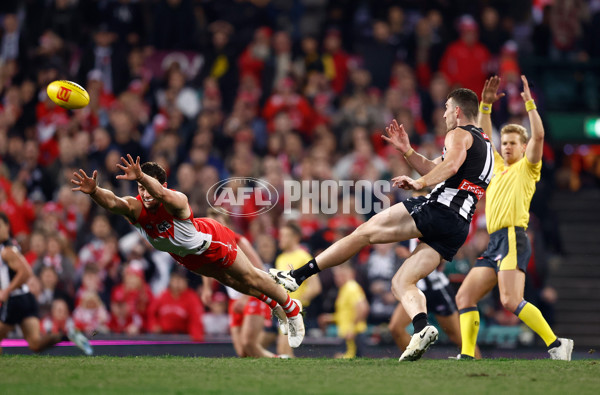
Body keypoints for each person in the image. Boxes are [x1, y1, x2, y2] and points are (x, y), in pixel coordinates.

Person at [271, 88, 494, 361]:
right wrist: (408, 151)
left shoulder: (458, 134)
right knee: (401, 281)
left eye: (447, 107)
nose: (445, 112)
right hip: (458, 227)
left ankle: (298, 276)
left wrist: (420, 184)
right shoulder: (486, 146)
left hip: (438, 209)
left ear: (457, 111)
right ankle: (422, 327)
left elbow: (448, 167)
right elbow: (437, 165)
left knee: (363, 232)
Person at [70, 155, 304, 348]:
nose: (145, 193)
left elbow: (161, 195)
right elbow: (112, 202)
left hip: (212, 241)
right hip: (188, 258)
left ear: (162, 185)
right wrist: (94, 192)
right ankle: (273, 305)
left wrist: (141, 174)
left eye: (147, 186)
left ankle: (291, 308)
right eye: (140, 187)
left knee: (250, 276)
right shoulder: (135, 208)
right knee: (231, 282)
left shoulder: (176, 199)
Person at [455, 75, 574, 360]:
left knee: (510, 300)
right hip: (495, 242)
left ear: (523, 147)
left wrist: (530, 104)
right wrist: (484, 106)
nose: (506, 146)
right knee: (464, 297)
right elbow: (485, 137)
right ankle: (467, 355)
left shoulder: (528, 168)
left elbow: (540, 136)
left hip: (512, 236)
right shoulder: (496, 165)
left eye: (512, 143)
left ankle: (556, 344)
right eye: (504, 142)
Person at [0, 212, 92, 356]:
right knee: (35, 343)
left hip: (15, 299)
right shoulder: (10, 248)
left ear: (6, 226)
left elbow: (26, 272)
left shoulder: (6, 250)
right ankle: (66, 336)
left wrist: (7, 290)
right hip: (27, 298)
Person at [202, 208, 279, 358]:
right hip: (234, 299)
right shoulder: (208, 244)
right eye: (211, 224)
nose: (214, 228)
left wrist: (245, 298)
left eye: (218, 224)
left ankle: (283, 361)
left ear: (227, 225)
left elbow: (259, 270)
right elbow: (205, 267)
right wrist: (207, 289)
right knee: (242, 353)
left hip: (252, 295)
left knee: (248, 344)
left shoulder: (239, 242)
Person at [388, 238, 481, 359]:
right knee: (396, 328)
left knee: (456, 335)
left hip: (436, 290)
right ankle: (416, 365)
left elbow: (442, 257)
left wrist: (411, 257)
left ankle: (478, 362)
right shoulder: (410, 228)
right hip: (416, 289)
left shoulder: (431, 224)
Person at [273, 221, 321, 358]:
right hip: (282, 310)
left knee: (284, 348)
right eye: (280, 235)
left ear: (295, 238)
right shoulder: (280, 258)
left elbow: (315, 287)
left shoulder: (303, 257)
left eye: (285, 235)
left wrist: (295, 303)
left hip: (295, 309)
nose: (280, 238)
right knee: (282, 348)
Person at [318, 263, 369, 359]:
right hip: (348, 334)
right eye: (336, 276)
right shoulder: (344, 289)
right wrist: (329, 318)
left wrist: (352, 328)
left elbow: (363, 308)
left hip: (354, 335)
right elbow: (345, 314)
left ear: (349, 274)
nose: (337, 279)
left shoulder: (351, 287)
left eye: (340, 275)